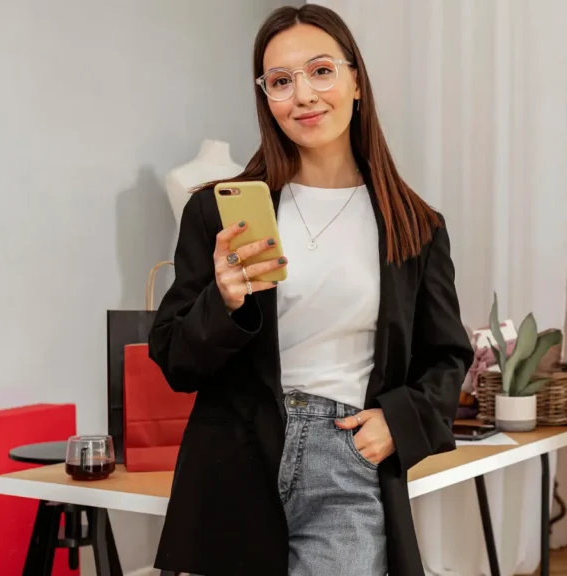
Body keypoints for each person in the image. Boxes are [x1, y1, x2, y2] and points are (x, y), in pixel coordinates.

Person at [147, 5, 474, 575]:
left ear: (356, 82)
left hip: (347, 460)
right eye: (280, 81)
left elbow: (446, 358)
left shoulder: (415, 227)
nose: (303, 95)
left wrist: (398, 423)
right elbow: (176, 360)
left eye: (321, 71)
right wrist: (222, 302)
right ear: (266, 99)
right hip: (237, 462)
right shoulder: (217, 212)